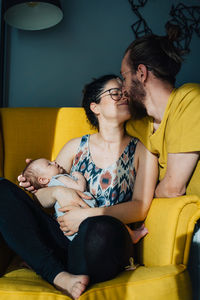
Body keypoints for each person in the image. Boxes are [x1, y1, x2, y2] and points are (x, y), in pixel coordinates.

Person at [1, 74, 158, 299]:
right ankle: (58, 275)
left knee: (99, 228)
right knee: (3, 190)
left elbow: (140, 207)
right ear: (95, 107)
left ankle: (54, 266)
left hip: (103, 240)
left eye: (125, 93)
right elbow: (41, 199)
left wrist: (85, 216)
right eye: (115, 93)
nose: (124, 96)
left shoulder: (142, 151)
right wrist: (58, 191)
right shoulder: (75, 146)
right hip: (62, 239)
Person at [120, 32, 200, 298]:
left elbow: (174, 187)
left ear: (141, 73)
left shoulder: (189, 98)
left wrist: (148, 192)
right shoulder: (141, 126)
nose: (122, 86)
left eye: (124, 76)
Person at [22, 157, 148, 242]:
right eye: (49, 164)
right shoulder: (59, 179)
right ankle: (132, 235)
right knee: (111, 220)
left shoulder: (53, 183)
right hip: (83, 214)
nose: (54, 162)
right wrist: (79, 176)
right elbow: (80, 188)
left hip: (74, 228)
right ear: (43, 180)